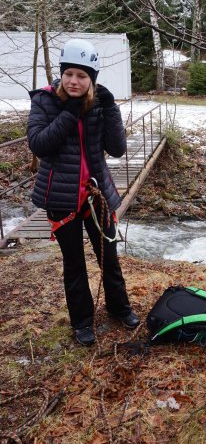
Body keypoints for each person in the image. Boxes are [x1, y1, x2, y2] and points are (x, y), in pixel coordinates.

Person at [27, 38, 139, 346]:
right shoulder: (44, 101)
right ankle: (82, 322)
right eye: (70, 74)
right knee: (74, 263)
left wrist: (111, 107)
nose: (74, 81)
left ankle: (120, 309)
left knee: (109, 256)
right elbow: (39, 144)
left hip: (96, 194)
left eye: (82, 76)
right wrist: (70, 112)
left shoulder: (98, 104)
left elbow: (116, 149)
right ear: (62, 74)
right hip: (62, 198)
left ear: (92, 79)